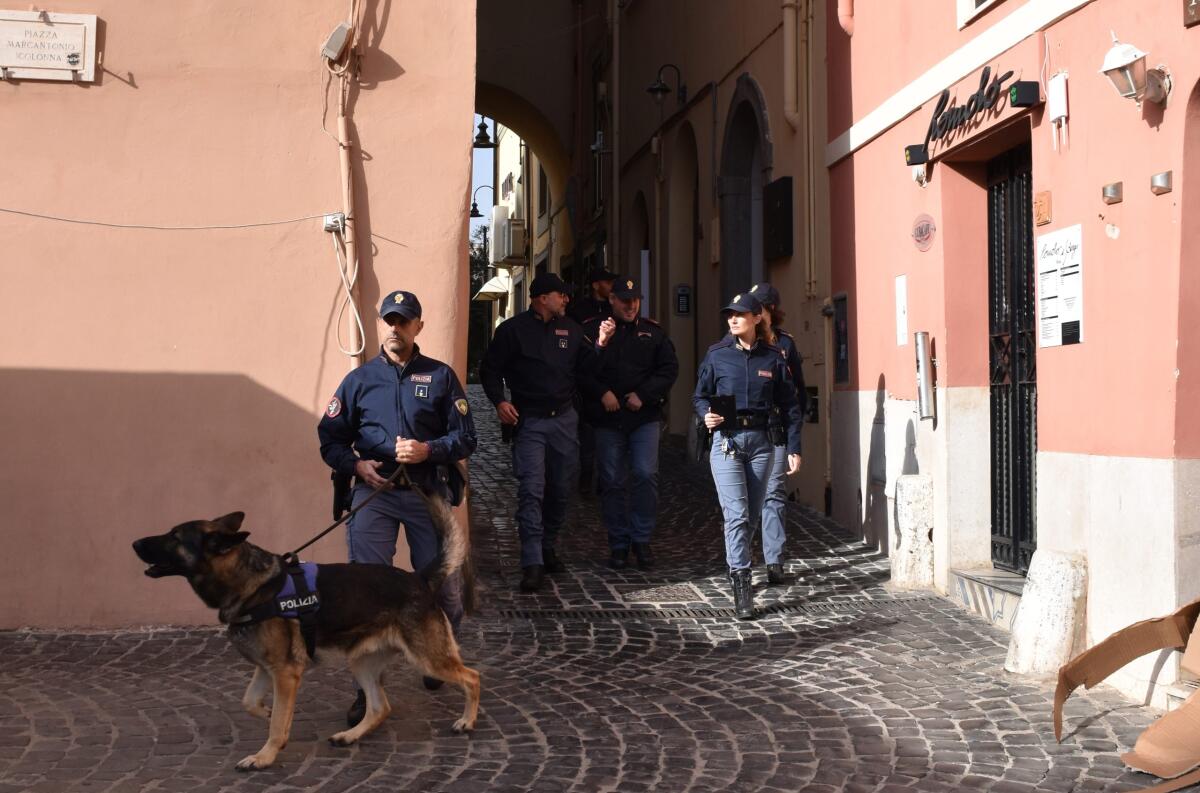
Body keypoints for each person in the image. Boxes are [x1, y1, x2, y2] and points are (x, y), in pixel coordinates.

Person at [318, 289, 477, 726]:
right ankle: (365, 692)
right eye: (389, 320)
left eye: (404, 321)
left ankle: (441, 655)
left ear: (418, 327)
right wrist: (356, 464)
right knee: (365, 593)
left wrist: (429, 449)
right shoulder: (359, 381)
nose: (395, 328)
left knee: (442, 589)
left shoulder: (441, 377)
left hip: (426, 496)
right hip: (375, 496)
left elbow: (467, 437)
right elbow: (329, 438)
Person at [480, 272, 615, 592]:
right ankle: (532, 561)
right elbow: (490, 369)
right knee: (531, 490)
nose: (567, 299)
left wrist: (601, 344)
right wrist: (499, 402)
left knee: (560, 488)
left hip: (565, 421)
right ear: (542, 298)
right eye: (562, 294)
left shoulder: (571, 328)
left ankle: (548, 546)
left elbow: (588, 368)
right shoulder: (512, 331)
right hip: (529, 423)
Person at [693, 292, 802, 620]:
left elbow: (791, 405)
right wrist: (705, 415)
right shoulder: (717, 355)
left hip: (762, 444)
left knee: (753, 513)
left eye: (740, 314)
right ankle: (741, 580)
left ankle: (740, 566)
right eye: (730, 314)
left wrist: (794, 447)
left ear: (757, 318)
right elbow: (699, 396)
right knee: (737, 513)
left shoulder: (773, 357)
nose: (733, 319)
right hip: (726, 442)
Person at [580, 277, 679, 569]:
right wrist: (602, 390)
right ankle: (619, 544)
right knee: (611, 481)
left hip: (643, 416)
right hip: (608, 418)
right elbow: (582, 372)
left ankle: (642, 539)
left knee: (646, 475)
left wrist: (644, 395)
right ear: (612, 300)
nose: (631, 305)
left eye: (635, 300)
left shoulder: (653, 332)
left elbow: (669, 369)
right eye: (625, 300)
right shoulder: (592, 330)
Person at [748, 282, 808, 585]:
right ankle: (741, 559)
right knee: (745, 498)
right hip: (745, 431)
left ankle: (774, 559)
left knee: (773, 493)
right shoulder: (736, 342)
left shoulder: (786, 344)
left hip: (776, 431)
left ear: (769, 310)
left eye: (758, 307)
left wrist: (795, 443)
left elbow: (796, 396)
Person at [568, 267, 618, 494]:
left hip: (610, 378)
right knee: (587, 439)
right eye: (607, 282)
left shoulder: (614, 308)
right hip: (586, 382)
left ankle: (604, 483)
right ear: (596, 285)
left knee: (609, 439)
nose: (611, 286)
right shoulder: (579, 311)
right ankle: (586, 480)